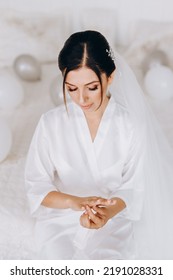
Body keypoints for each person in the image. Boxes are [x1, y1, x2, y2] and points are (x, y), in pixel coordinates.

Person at [25, 30, 173, 260]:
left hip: (112, 220)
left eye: (91, 87)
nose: (81, 99)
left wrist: (105, 214)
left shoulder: (131, 126)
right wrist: (76, 203)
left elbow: (133, 186)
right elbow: (36, 186)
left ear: (110, 77)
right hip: (62, 218)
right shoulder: (50, 124)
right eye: (72, 88)